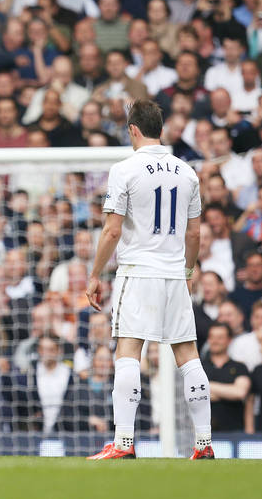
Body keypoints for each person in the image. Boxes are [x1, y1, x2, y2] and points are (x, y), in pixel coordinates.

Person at [86, 100, 213, 460]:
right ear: (162, 128)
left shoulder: (125, 169)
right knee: (188, 355)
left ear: (133, 130)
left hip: (138, 271)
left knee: (128, 353)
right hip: (174, 273)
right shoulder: (187, 173)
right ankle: (203, 443)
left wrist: (94, 274)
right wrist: (187, 272)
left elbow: (112, 230)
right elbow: (194, 235)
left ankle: (123, 442)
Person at [203, 322, 251, 432]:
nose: (215, 341)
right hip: (203, 435)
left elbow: (240, 392)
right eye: (212, 337)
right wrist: (229, 392)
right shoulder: (199, 367)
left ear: (229, 340)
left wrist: (206, 386)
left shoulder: (240, 367)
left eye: (220, 337)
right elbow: (193, 394)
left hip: (234, 432)